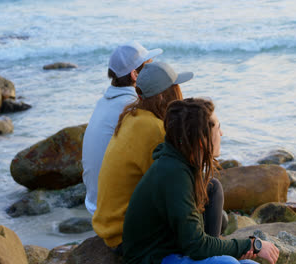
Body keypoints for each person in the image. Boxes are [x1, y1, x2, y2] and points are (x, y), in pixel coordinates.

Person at [122, 98, 280, 264]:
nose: (222, 134)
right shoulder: (174, 174)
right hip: (153, 258)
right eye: (218, 128)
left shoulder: (182, 163)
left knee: (249, 263)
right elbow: (196, 245)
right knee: (228, 263)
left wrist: (237, 248)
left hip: (174, 249)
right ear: (201, 140)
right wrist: (252, 245)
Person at [92, 62, 226, 255]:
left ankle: (209, 249)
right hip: (128, 234)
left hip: (110, 226)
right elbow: (173, 187)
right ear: (164, 96)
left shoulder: (132, 116)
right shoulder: (156, 130)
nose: (180, 92)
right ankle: (209, 257)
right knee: (213, 190)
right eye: (176, 88)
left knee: (219, 218)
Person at [82, 41, 162, 216]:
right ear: (135, 74)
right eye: (148, 67)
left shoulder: (104, 102)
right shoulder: (132, 108)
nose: (154, 70)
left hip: (93, 204)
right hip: (116, 212)